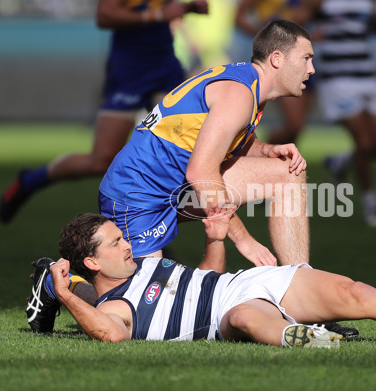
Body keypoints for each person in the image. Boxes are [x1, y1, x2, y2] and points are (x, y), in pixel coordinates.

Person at [30, 211, 376, 347]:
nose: (126, 244)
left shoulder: (144, 264)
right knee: (249, 319)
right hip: (227, 316)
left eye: (121, 236)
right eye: (114, 243)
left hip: (244, 281)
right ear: (91, 263)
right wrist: (63, 292)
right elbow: (108, 334)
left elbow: (202, 279)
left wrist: (215, 239)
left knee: (356, 293)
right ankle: (306, 340)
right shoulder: (114, 309)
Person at [96, 20, 313, 267]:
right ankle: (57, 282)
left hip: (176, 189)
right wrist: (244, 240)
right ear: (277, 59)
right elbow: (201, 172)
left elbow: (219, 137)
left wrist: (265, 149)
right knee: (142, 300)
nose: (312, 69)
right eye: (306, 58)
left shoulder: (247, 82)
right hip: (137, 197)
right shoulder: (239, 94)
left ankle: (298, 278)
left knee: (288, 172)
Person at [0, 0, 209, 224]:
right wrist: (158, 15)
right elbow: (105, 16)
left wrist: (189, 7)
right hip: (129, 71)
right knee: (101, 161)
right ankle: (29, 181)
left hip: (166, 67)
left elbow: (176, 8)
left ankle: (153, 229)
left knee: (189, 145)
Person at [298, 0, 376, 228]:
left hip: (367, 77)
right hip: (337, 79)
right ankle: (371, 203)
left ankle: (340, 161)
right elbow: (297, 21)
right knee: (364, 143)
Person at [234, 0, 315, 145]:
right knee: (295, 125)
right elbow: (238, 18)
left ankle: (283, 162)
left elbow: (308, 13)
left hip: (304, 55)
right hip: (284, 58)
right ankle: (264, 152)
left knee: (298, 127)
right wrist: (264, 36)